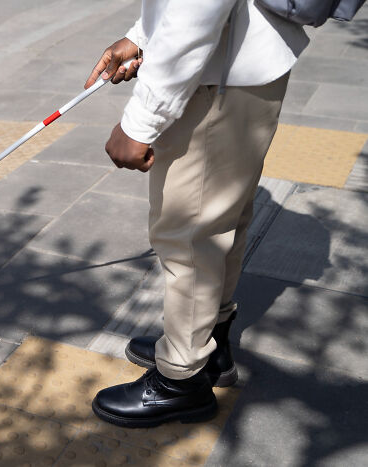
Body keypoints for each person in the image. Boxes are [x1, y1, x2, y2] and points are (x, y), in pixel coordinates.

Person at [87, 0, 308, 428]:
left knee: (188, 232)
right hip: (245, 66)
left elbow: (197, 9)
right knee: (221, 218)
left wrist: (140, 121)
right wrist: (141, 35)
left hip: (216, 77)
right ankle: (210, 344)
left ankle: (181, 380)